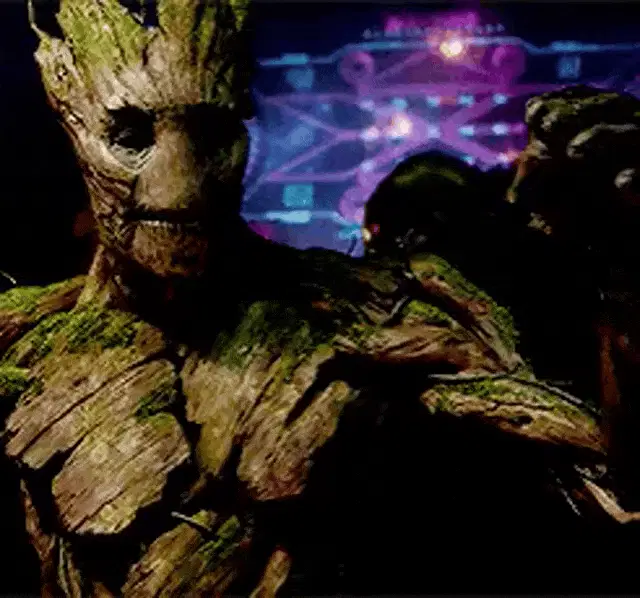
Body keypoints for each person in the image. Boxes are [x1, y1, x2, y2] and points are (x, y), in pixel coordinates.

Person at [0, 2, 628, 595]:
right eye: (131, 135)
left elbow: (592, 481)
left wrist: (614, 282)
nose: (181, 184)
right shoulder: (24, 340)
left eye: (215, 135)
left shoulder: (376, 313)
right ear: (73, 124)